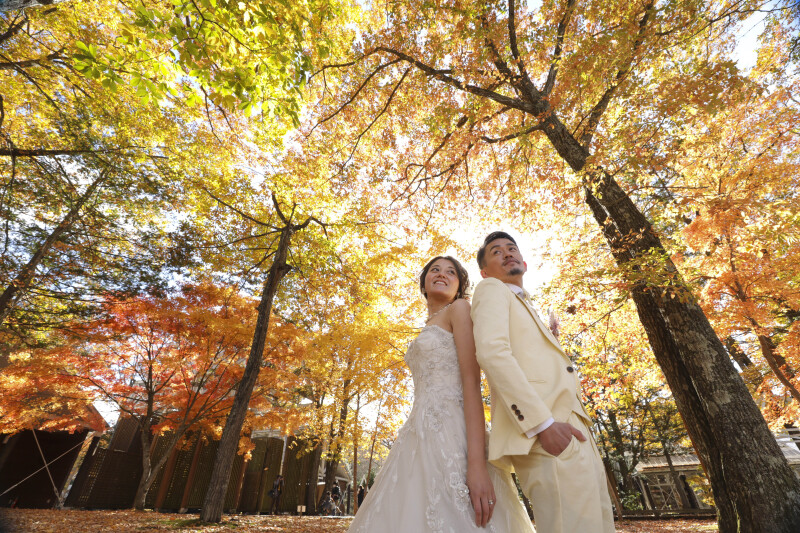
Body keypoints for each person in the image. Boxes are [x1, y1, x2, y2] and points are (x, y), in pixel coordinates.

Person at [347, 256, 533, 533]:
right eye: (435, 270)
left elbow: (471, 384)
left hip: (455, 435)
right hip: (417, 436)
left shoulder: (459, 309)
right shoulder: (429, 323)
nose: (442, 274)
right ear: (423, 282)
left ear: (460, 286)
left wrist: (477, 466)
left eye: (451, 272)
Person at [470, 231, 615, 533]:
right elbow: (492, 353)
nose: (506, 253)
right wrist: (543, 425)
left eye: (511, 248)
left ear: (524, 261)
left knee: (599, 525)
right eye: (496, 252)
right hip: (545, 430)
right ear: (484, 271)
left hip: (576, 429)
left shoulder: (529, 306)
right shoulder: (491, 289)